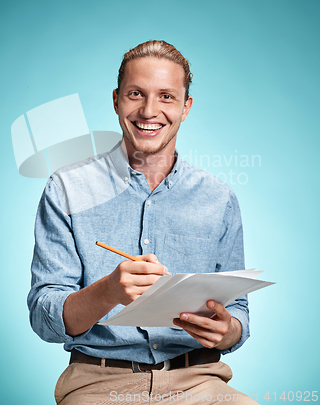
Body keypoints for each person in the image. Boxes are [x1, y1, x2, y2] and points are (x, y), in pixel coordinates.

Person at [28, 41, 256, 404]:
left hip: (199, 383)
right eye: (136, 94)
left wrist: (227, 330)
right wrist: (108, 292)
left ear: (186, 107)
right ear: (117, 99)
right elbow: (44, 318)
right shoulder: (67, 188)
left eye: (166, 96)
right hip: (97, 385)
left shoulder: (219, 199)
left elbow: (238, 314)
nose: (149, 111)